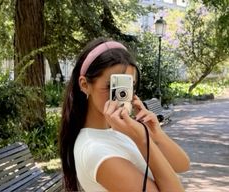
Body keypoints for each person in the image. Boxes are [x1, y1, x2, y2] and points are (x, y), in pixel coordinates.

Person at [59, 37, 190, 192]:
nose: (121, 95)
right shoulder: (95, 150)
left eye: (128, 86)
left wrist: (155, 134)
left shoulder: (118, 132)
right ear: (85, 85)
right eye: (112, 86)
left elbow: (182, 165)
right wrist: (142, 139)